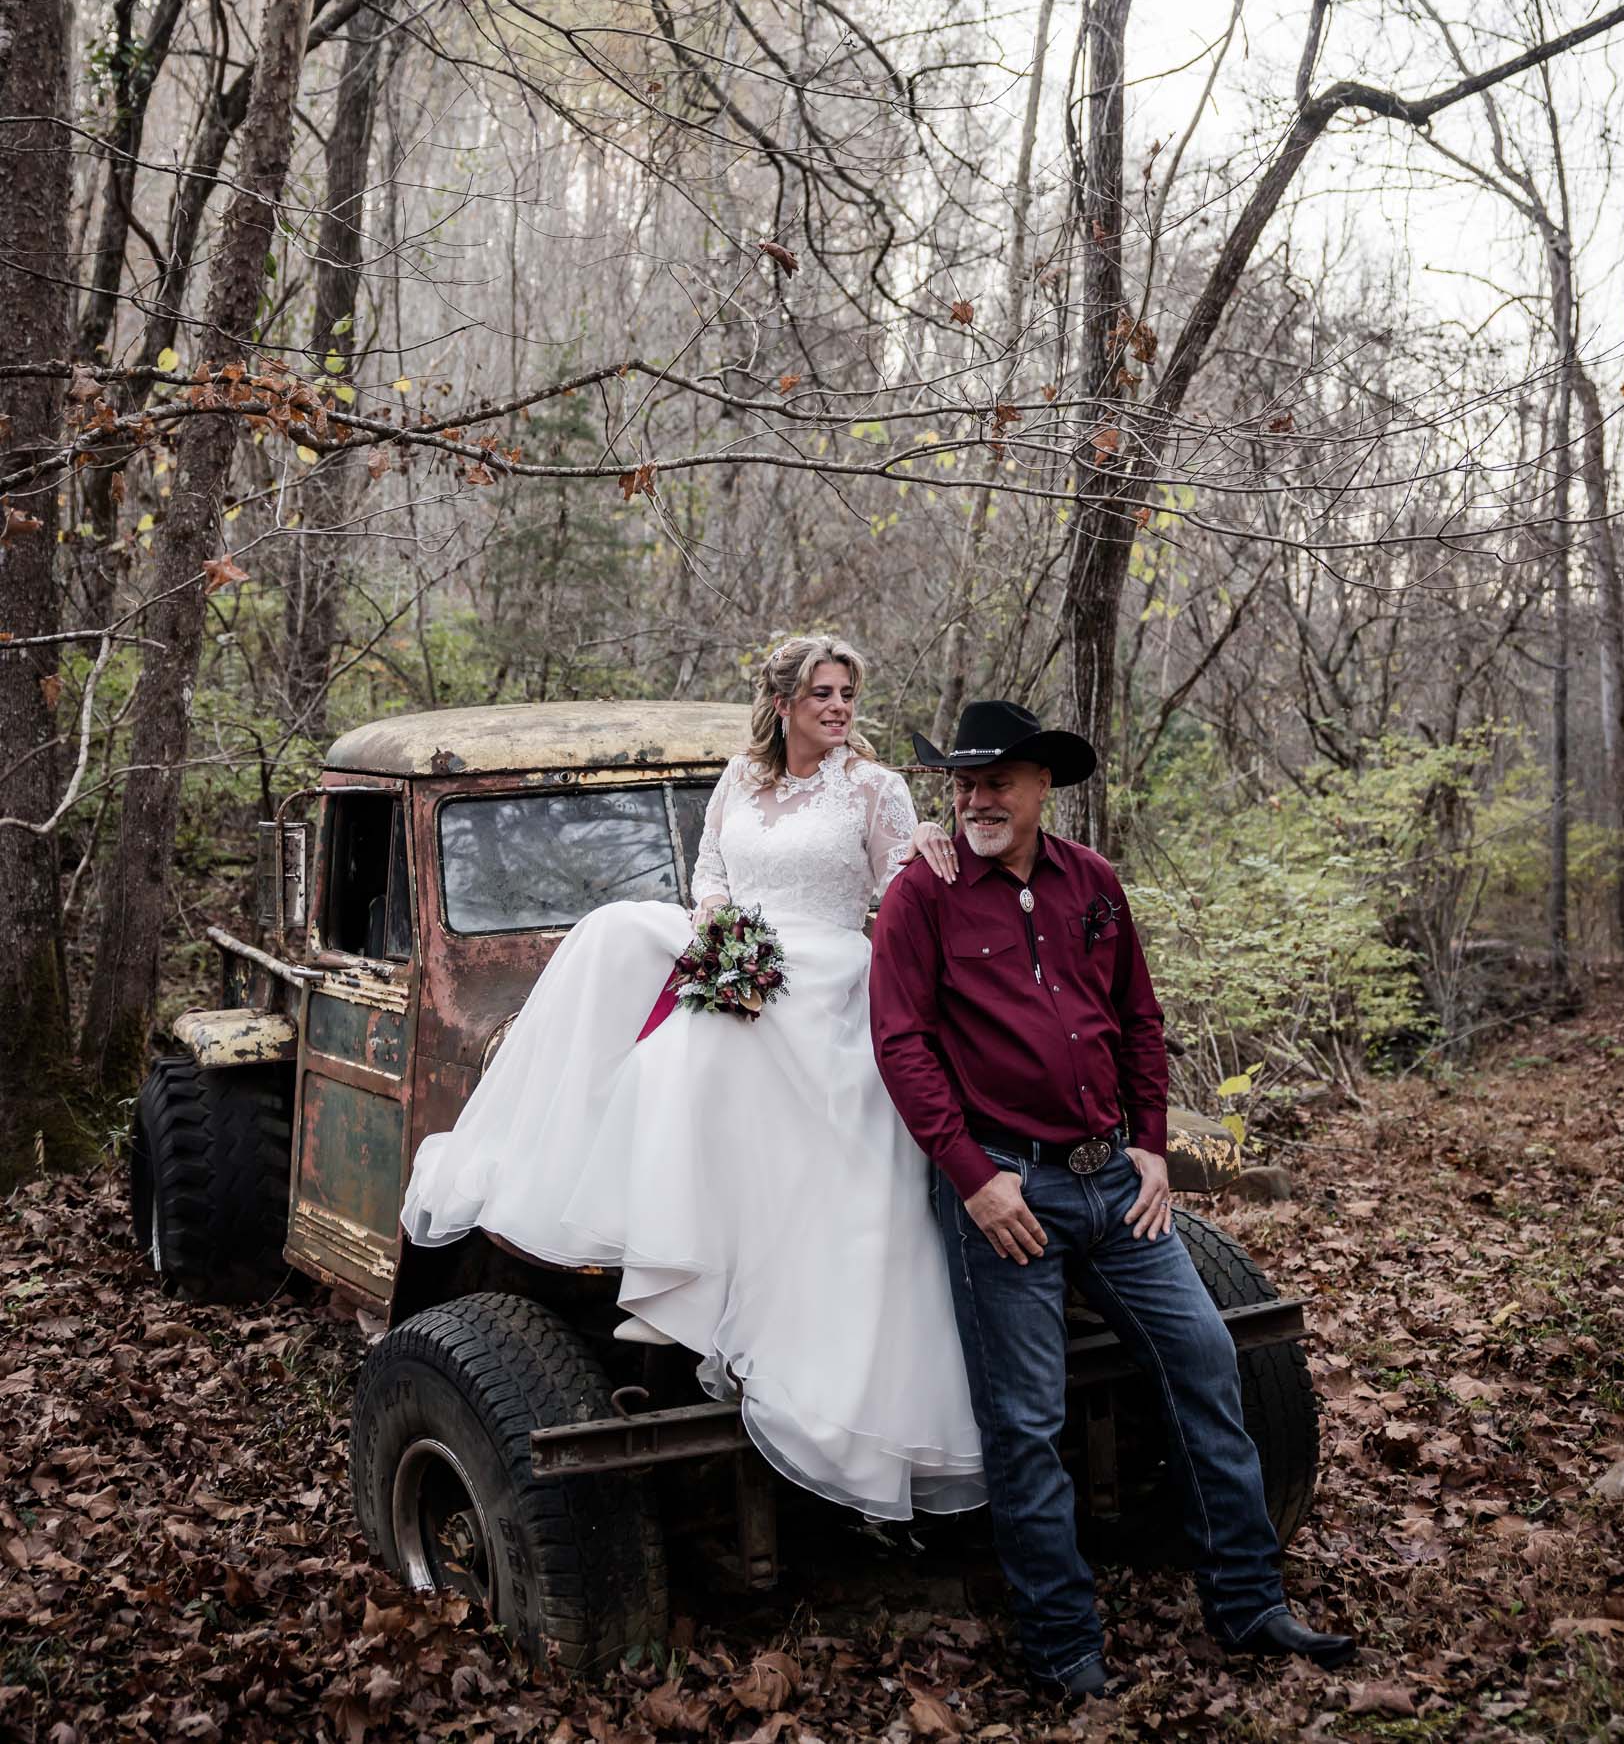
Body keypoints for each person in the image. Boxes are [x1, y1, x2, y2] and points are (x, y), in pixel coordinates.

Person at [401, 634, 985, 1523]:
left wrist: (932, 842)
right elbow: (710, 873)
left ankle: (709, 1294)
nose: (837, 707)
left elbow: (901, 885)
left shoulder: (874, 787)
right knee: (619, 935)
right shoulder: (738, 780)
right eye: (820, 693)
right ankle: (653, 1255)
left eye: (847, 693)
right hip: (742, 953)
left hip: (828, 969)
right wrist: (719, 930)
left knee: (700, 1044)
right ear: (783, 702)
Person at [869, 698, 1357, 1700]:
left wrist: (1148, 1146)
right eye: (961, 782)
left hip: (1112, 1181)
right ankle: (1062, 1653)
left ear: (1042, 785)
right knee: (1027, 1419)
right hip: (1009, 1190)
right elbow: (901, 1044)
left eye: (995, 779)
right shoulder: (923, 893)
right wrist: (973, 1177)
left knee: (1204, 1359)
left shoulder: (1089, 882)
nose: (974, 798)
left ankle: (1247, 1601)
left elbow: (1137, 1018)